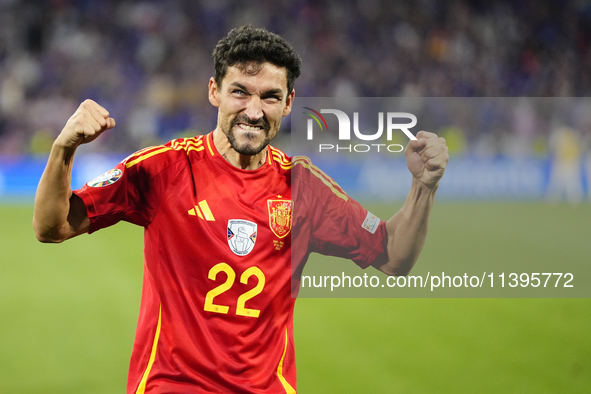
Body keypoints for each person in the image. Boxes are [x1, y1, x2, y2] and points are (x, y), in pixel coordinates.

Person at [33, 26, 448, 394]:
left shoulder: (303, 188)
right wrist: (63, 147)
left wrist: (423, 187)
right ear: (214, 90)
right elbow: (52, 227)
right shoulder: (164, 168)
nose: (253, 111)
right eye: (240, 92)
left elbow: (393, 255)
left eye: (270, 97)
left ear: (288, 104)